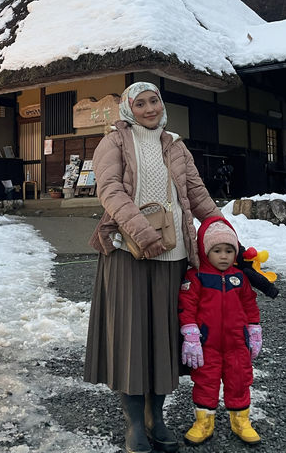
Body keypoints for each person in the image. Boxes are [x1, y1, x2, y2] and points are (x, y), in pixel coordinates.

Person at [83, 81, 223, 453]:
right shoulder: (112, 142)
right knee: (132, 339)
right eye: (140, 103)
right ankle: (134, 425)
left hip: (172, 256)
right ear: (129, 108)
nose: (150, 108)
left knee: (163, 339)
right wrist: (142, 233)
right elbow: (110, 190)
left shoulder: (175, 144)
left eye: (154, 101)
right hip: (128, 253)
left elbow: (196, 193)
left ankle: (156, 418)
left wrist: (222, 229)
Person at [178, 217, 262, 445]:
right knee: (206, 382)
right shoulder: (196, 278)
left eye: (228, 250)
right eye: (217, 250)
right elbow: (187, 307)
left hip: (237, 345)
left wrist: (254, 330)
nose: (224, 256)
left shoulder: (240, 278)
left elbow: (250, 304)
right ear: (205, 252)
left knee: (240, 380)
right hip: (208, 345)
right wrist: (191, 333)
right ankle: (204, 423)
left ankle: (241, 420)